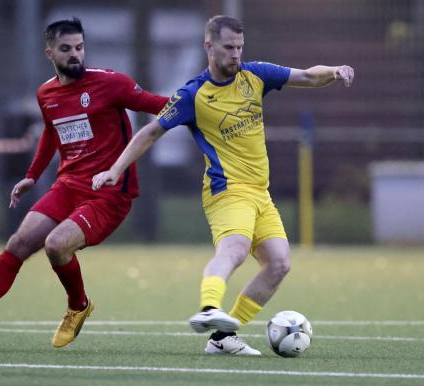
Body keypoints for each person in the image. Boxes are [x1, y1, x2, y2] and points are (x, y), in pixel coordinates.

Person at [92, 15, 354, 356]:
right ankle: (208, 307)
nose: (236, 54)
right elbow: (151, 132)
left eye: (240, 47)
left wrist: (334, 71)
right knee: (235, 249)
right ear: (209, 46)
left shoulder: (255, 74)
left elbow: (305, 75)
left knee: (279, 264)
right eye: (229, 47)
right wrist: (115, 168)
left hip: (260, 192)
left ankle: (221, 339)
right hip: (226, 190)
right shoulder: (193, 94)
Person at [0, 18, 168, 349]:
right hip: (68, 185)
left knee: (57, 245)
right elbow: (50, 132)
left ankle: (78, 306)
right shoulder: (46, 93)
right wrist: (31, 175)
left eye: (79, 47)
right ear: (49, 53)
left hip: (108, 194)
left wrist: (202, 108)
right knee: (18, 243)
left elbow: (160, 104)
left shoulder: (111, 84)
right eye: (66, 49)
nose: (75, 54)